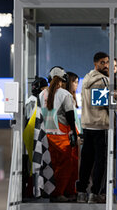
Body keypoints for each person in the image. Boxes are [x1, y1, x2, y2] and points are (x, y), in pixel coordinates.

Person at [39, 66, 78, 202]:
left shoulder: (41, 94)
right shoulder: (64, 94)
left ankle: (50, 191)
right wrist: (73, 132)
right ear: (64, 79)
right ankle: (59, 193)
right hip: (62, 136)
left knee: (51, 165)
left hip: (47, 136)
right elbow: (70, 115)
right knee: (65, 166)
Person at [76, 52, 109, 204]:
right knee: (100, 163)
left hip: (87, 125)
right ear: (96, 64)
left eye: (107, 62)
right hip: (100, 126)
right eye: (103, 62)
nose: (106, 65)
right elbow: (103, 104)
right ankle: (94, 193)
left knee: (86, 162)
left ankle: (81, 191)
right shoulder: (103, 80)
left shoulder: (86, 79)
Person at [24, 76, 54, 198]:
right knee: (35, 164)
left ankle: (35, 190)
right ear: (42, 88)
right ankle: (35, 191)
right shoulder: (35, 101)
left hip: (30, 136)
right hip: (34, 136)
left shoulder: (30, 99)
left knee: (33, 165)